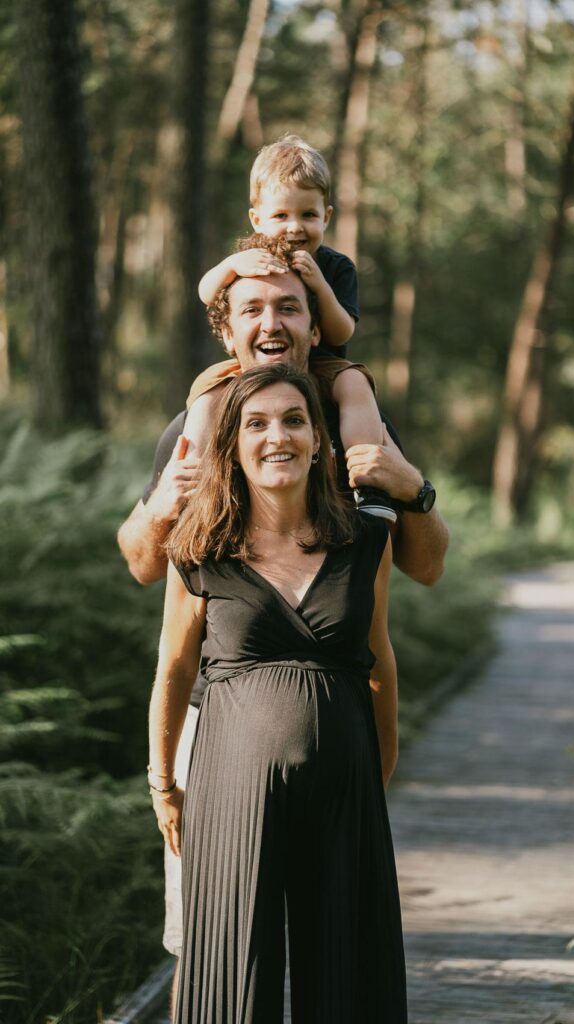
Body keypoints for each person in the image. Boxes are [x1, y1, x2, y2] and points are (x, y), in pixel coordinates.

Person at [117, 238, 449, 1005]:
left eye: (289, 306)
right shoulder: (196, 429)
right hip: (218, 724)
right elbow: (145, 565)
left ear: (317, 321)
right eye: (253, 309)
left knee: (343, 944)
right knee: (207, 938)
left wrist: (412, 487)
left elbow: (414, 579)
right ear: (228, 327)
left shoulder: (354, 419)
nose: (272, 322)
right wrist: (166, 504)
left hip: (337, 741)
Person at [148, 362, 407, 1023]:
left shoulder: (365, 540)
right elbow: (174, 672)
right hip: (229, 791)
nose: (278, 437)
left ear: (320, 439)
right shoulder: (199, 546)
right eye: (257, 424)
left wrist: (376, 773)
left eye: (295, 420)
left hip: (346, 787)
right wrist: (163, 785)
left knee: (349, 976)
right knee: (234, 979)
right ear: (233, 444)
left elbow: (379, 661)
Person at [190, 133, 394, 520]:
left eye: (308, 215)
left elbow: (341, 333)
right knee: (206, 389)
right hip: (253, 367)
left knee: (355, 383)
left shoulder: (336, 267)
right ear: (257, 219)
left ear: (326, 217)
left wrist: (318, 285)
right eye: (281, 216)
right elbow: (205, 292)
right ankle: (193, 479)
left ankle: (368, 482)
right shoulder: (247, 260)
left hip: (320, 366)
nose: (294, 228)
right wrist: (231, 268)